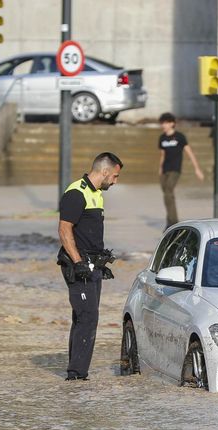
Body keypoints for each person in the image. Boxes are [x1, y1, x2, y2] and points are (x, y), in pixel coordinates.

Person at [57, 152, 124, 381]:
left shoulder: (97, 194)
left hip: (93, 265)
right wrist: (78, 263)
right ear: (104, 171)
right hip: (78, 266)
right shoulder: (77, 193)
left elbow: (89, 233)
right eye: (114, 176)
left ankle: (76, 372)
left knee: (84, 317)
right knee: (87, 317)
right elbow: (64, 230)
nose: (115, 182)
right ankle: (76, 376)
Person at [158, 112, 205, 228]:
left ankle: (173, 222)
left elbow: (190, 153)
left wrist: (197, 169)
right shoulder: (162, 138)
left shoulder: (180, 137)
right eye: (162, 123)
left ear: (172, 123)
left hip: (175, 169)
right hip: (165, 170)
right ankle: (170, 220)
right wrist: (160, 168)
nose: (163, 125)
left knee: (168, 191)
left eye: (166, 123)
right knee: (167, 194)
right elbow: (162, 155)